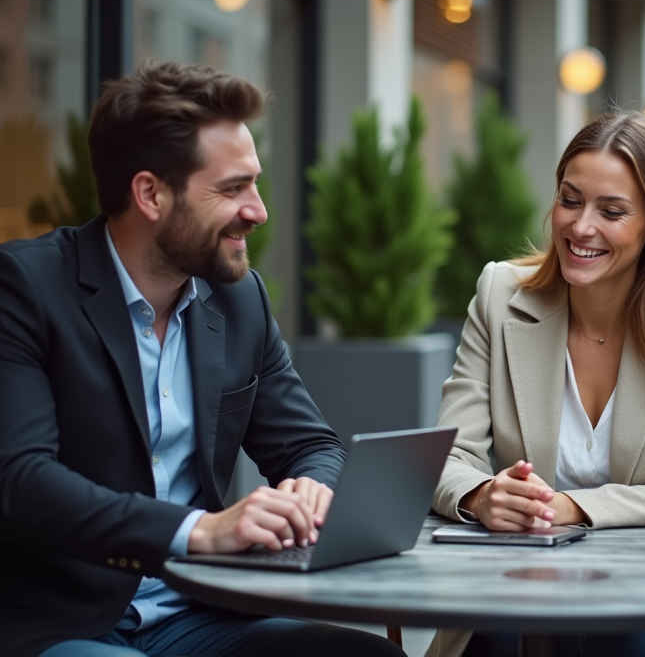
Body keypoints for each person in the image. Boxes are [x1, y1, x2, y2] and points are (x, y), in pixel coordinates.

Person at [0, 62, 405, 657]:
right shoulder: (25, 287)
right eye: (232, 188)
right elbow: (23, 483)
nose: (258, 210)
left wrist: (311, 490)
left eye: (255, 184)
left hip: (202, 615)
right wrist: (201, 530)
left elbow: (311, 446)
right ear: (150, 194)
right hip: (63, 623)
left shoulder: (240, 299)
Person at [429, 111, 645, 657]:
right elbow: (445, 456)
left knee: (631, 645)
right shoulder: (499, 295)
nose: (580, 226)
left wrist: (577, 508)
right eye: (570, 199)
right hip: (521, 590)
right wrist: (482, 494)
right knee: (495, 643)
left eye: (611, 211)